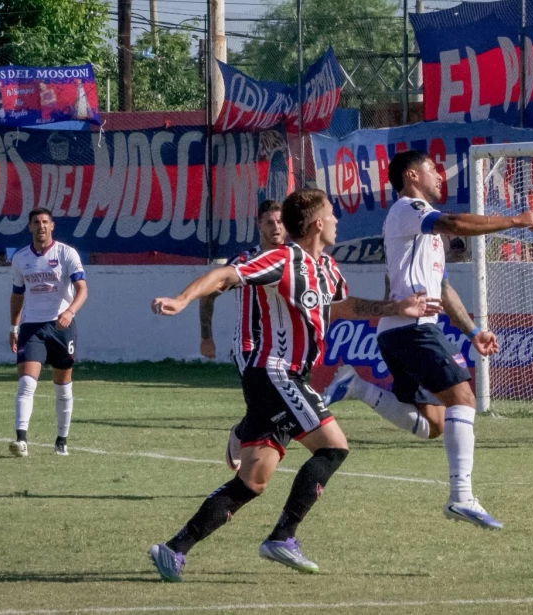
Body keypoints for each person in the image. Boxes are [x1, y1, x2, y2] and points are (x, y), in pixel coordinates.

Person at [146, 188, 441, 580]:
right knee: (334, 447)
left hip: (288, 376)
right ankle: (283, 536)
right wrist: (182, 299)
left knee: (252, 482)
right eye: (331, 214)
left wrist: (395, 307)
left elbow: (343, 306)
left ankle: (173, 550)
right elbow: (224, 275)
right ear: (318, 223)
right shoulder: (283, 259)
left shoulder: (327, 268)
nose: (336, 221)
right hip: (274, 371)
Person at [323, 149, 533, 531]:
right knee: (464, 399)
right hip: (412, 329)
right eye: (432, 169)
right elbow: (456, 222)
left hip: (400, 331)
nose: (440, 176)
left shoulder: (426, 232)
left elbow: (442, 290)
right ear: (412, 176)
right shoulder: (409, 208)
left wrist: (473, 332)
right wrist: (514, 220)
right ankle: (461, 498)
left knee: (433, 423)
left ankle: (357, 386)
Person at [8, 208, 88, 457]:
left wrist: (70, 312)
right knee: (26, 382)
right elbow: (17, 295)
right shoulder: (20, 258)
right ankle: (21, 440)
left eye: (45, 222)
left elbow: (82, 289)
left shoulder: (66, 253)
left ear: (52, 226)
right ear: (29, 227)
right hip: (32, 326)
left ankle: (61, 440)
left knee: (62, 386)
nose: (41, 226)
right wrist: (13, 327)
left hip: (62, 327)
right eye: (36, 222)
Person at [198, 200, 286, 361]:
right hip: (250, 346)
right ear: (259, 225)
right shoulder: (243, 261)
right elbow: (207, 296)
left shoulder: (295, 258)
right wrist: (206, 337)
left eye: (280, 222)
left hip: (286, 346)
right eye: (270, 222)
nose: (276, 227)